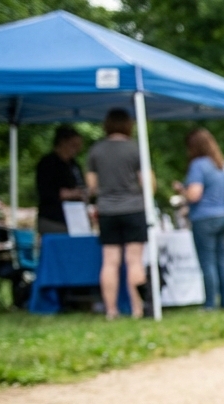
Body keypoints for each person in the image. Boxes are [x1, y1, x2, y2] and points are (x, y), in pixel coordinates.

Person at [86, 107, 152, 320]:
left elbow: (92, 186)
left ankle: (111, 310)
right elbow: (148, 183)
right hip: (133, 208)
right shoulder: (135, 149)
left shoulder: (96, 151)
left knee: (110, 261)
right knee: (134, 261)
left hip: (107, 210)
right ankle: (137, 309)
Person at [175, 127, 224, 310]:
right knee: (222, 260)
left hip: (204, 218)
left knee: (207, 261)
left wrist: (181, 191)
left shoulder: (198, 165)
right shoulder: (221, 165)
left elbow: (194, 194)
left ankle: (210, 303)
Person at [35, 126, 85, 235]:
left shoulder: (74, 165)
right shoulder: (47, 163)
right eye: (74, 145)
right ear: (63, 142)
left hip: (75, 218)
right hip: (53, 219)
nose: (77, 150)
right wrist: (69, 193)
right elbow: (46, 191)